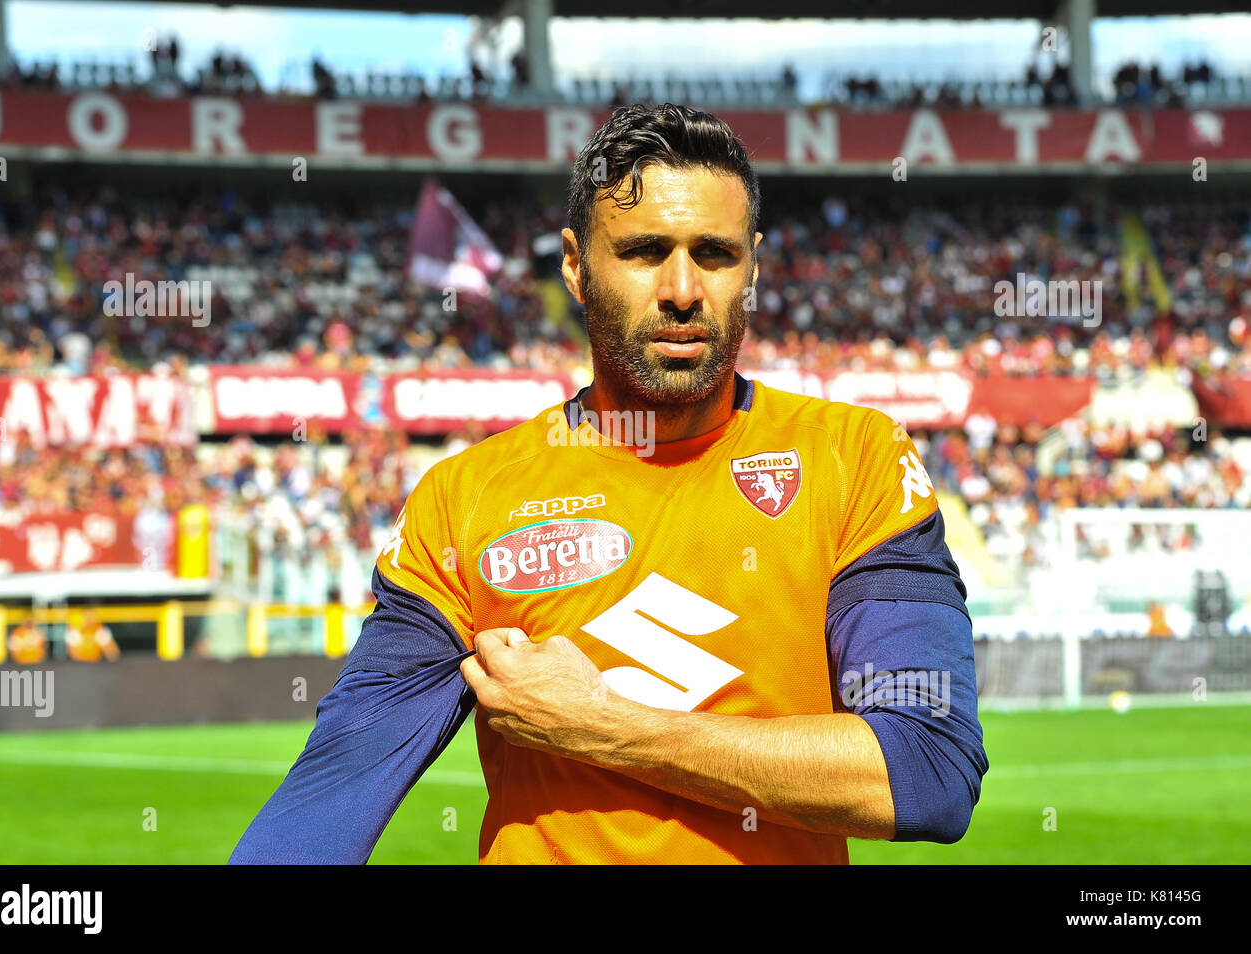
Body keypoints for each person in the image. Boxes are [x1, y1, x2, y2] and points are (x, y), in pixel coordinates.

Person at [231, 103, 987, 865]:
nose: (684, 288)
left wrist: (605, 724)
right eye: (645, 250)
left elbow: (927, 767)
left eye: (716, 254)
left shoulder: (852, 459)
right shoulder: (467, 500)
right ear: (574, 265)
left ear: (753, 267)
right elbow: (332, 795)